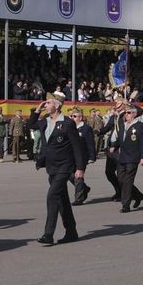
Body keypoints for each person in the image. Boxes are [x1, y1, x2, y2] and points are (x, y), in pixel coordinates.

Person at [30, 92, 86, 244]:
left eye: (48, 103)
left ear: (57, 105)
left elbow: (77, 147)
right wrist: (37, 110)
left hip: (64, 167)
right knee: (62, 201)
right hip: (51, 167)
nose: (46, 105)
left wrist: (80, 168)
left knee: (52, 196)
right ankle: (71, 231)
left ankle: (48, 234)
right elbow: (31, 125)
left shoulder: (67, 123)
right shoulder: (45, 121)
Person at [115, 101, 143, 212]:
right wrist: (113, 146)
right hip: (122, 156)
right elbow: (120, 140)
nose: (126, 115)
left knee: (128, 181)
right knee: (120, 179)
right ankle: (138, 195)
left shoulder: (139, 125)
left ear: (134, 114)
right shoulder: (122, 124)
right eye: (126, 113)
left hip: (133, 157)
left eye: (129, 113)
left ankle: (125, 204)